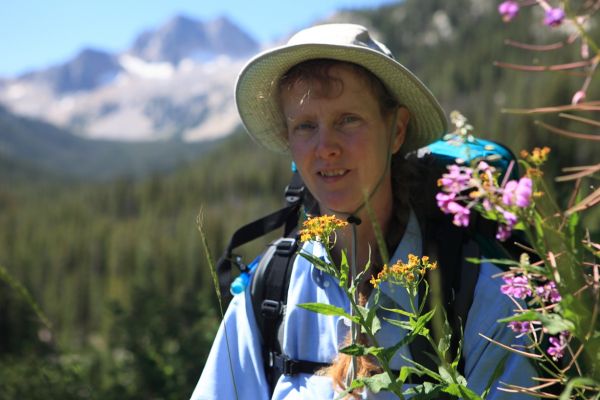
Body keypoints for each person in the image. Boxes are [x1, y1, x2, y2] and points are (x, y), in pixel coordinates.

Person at [191, 23, 536, 399]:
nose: (326, 147)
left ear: (397, 130)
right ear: (289, 142)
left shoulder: (472, 289)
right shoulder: (269, 292)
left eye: (347, 120)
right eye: (305, 125)